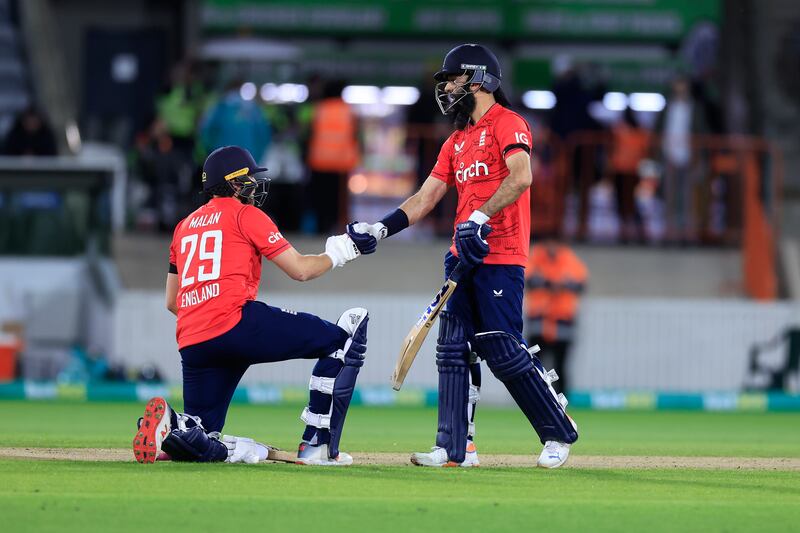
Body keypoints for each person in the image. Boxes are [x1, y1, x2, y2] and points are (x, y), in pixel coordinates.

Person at [346, 44, 578, 469]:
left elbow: (521, 176)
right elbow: (425, 197)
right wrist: (379, 228)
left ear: (478, 79)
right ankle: (454, 449)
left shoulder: (509, 123)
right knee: (451, 350)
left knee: (502, 348)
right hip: (461, 255)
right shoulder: (456, 141)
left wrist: (478, 214)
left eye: (452, 78)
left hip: (501, 253)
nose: (447, 87)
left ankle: (557, 431)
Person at [133, 145, 368, 466]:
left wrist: (208, 319)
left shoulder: (183, 226)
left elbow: (172, 301)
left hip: (193, 340)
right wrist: (342, 250)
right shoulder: (245, 214)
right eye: (248, 181)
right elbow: (301, 270)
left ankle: (174, 427)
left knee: (203, 439)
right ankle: (317, 445)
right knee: (338, 341)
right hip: (235, 322)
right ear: (232, 182)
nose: (254, 187)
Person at [524, 236, 588, 395]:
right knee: (535, 364)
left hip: (562, 319)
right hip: (539, 319)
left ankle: (562, 399)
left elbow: (580, 284)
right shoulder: (536, 256)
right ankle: (533, 397)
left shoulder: (569, 259)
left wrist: (551, 284)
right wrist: (555, 284)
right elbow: (529, 279)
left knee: (561, 364)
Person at [306, 79, 360, 234]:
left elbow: (309, 133)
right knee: (338, 200)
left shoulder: (318, 109)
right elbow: (355, 135)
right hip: (341, 162)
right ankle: (336, 227)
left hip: (319, 161)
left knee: (320, 197)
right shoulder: (349, 111)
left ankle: (320, 227)